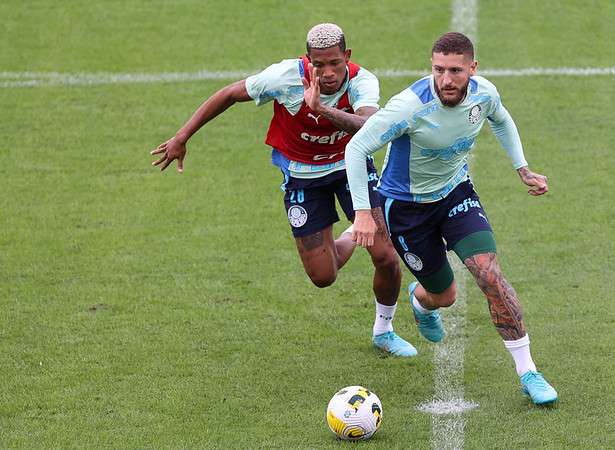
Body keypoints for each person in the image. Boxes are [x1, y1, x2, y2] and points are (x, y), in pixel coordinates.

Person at [150, 23, 416, 357]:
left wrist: (321, 109)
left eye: (335, 62)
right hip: (302, 177)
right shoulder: (285, 78)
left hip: (351, 168)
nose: (328, 72)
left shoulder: (363, 81)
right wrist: (182, 136)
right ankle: (353, 231)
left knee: (386, 257)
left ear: (347, 57)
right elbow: (230, 94)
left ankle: (384, 330)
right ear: (308, 61)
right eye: (319, 65)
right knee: (323, 276)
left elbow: (368, 126)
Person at [344, 32, 558, 404]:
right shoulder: (409, 107)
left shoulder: (484, 93)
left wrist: (522, 168)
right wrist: (363, 212)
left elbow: (502, 120)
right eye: (439, 70)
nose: (446, 80)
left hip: (455, 194)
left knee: (489, 275)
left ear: (472, 69)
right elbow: (357, 146)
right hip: (407, 210)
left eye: (456, 70)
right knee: (444, 296)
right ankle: (421, 302)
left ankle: (529, 372)